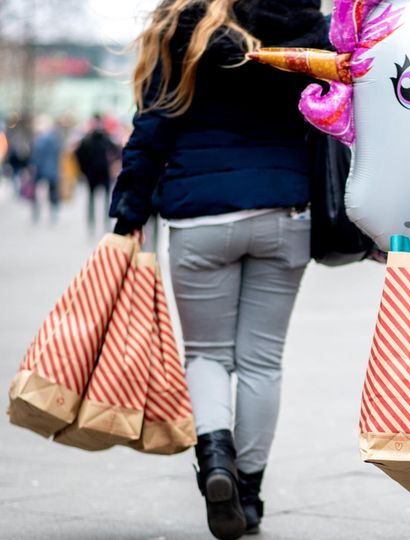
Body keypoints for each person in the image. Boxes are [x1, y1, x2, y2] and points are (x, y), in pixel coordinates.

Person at [109, 1, 330, 538]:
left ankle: (215, 461)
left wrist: (129, 214)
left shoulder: (183, 27)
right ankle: (248, 494)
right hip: (284, 210)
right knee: (262, 361)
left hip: (200, 217)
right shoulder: (307, 28)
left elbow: (152, 129)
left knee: (207, 354)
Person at [75, 114, 120, 233]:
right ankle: (93, 223)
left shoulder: (104, 137)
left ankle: (103, 222)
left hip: (101, 173)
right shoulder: (88, 139)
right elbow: (79, 155)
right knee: (93, 199)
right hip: (93, 174)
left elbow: (117, 150)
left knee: (103, 199)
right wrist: (84, 170)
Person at [30, 117, 64, 224]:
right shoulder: (56, 139)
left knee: (37, 190)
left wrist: (34, 165)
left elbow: (37, 155)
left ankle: (36, 212)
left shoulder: (40, 139)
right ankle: (54, 213)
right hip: (53, 168)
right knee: (53, 192)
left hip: (41, 169)